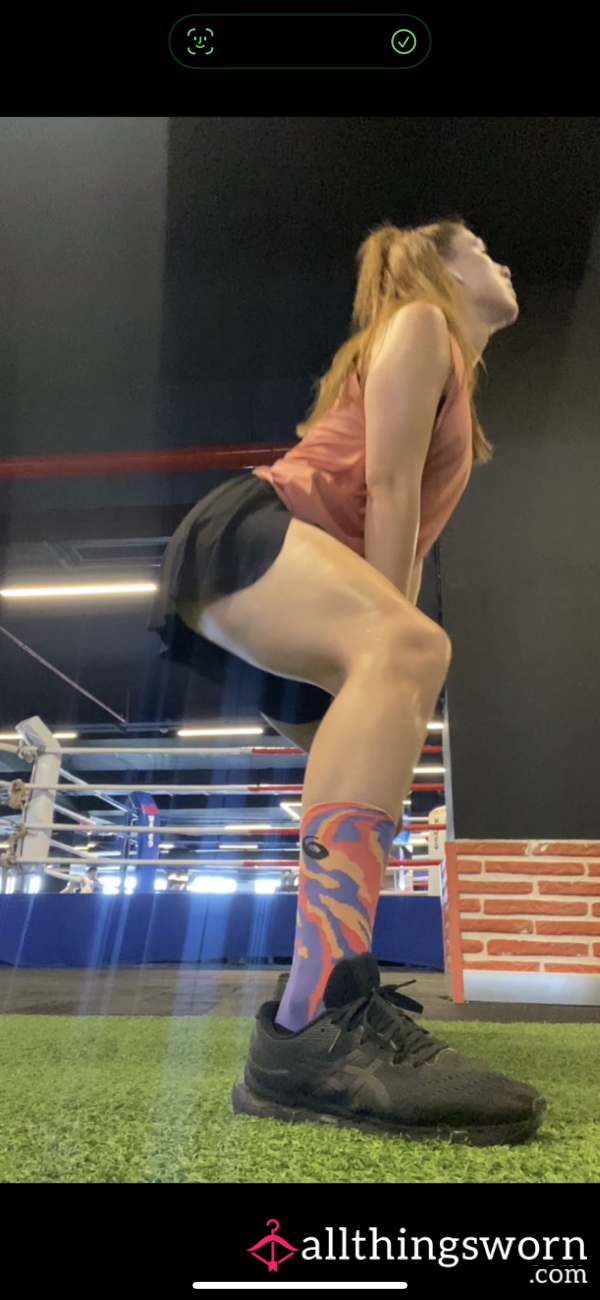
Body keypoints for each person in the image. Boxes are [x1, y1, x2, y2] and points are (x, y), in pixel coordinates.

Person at [148, 217, 544, 1146]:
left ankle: (320, 1017)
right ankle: (321, 1011)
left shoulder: (451, 369)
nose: (502, 260)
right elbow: (391, 490)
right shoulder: (422, 321)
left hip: (288, 572)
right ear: (443, 267)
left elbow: (404, 521)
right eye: (484, 249)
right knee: (412, 650)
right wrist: (393, 638)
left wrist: (385, 656)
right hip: (250, 532)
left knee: (383, 741)